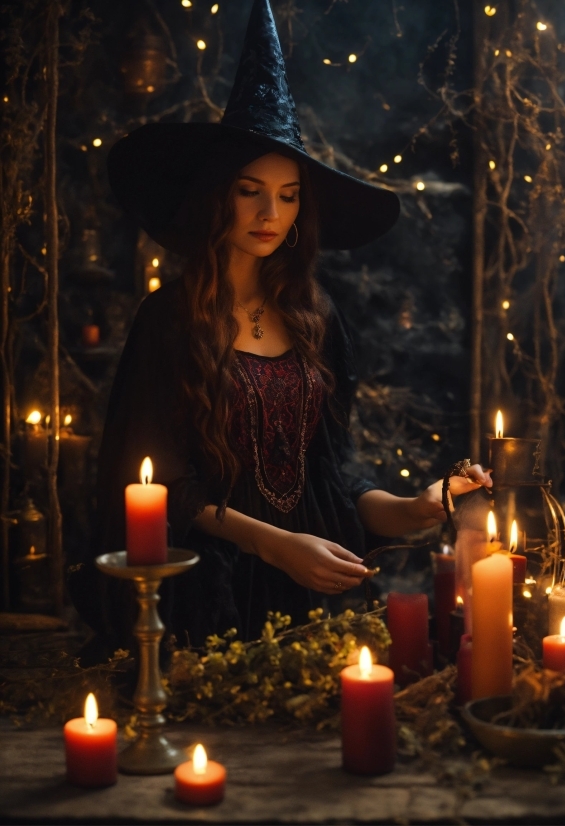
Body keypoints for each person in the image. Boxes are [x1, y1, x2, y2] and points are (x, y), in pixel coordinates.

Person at [74, 0, 491, 652]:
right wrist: (275, 545)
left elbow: (334, 476)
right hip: (208, 599)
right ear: (219, 194)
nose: (271, 211)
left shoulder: (318, 318)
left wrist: (418, 507)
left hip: (310, 595)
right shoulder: (169, 320)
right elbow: (158, 486)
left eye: (289, 195)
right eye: (251, 189)